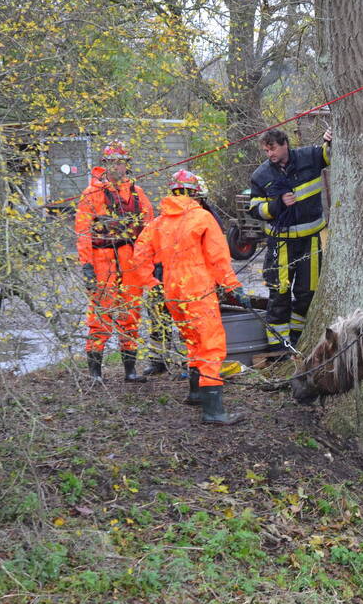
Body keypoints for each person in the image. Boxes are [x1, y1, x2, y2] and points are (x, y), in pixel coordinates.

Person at [132, 169, 248, 425]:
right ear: (195, 193)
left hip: (173, 291)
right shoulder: (202, 218)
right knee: (209, 345)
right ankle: (213, 411)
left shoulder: (159, 222)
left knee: (192, 341)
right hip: (198, 290)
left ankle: (196, 393)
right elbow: (219, 259)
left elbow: (139, 254)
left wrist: (152, 284)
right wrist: (234, 287)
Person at [74, 140, 154, 384]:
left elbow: (149, 228)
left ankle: (130, 370)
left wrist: (151, 262)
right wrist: (87, 266)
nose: (117, 167)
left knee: (131, 313)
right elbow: (83, 231)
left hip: (130, 260)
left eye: (121, 162)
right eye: (112, 162)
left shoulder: (137, 194)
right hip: (102, 261)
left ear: (127, 165)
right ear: (105, 164)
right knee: (101, 315)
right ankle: (95, 373)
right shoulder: (92, 194)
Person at [248, 128, 331, 351]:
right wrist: (277, 205)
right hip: (280, 244)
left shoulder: (309, 157)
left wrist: (330, 139)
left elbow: (329, 153)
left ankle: (296, 338)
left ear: (285, 143)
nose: (269, 154)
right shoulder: (260, 175)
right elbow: (255, 210)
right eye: (266, 150)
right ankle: (278, 348)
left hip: (310, 241)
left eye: (272, 148)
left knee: (308, 293)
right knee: (279, 294)